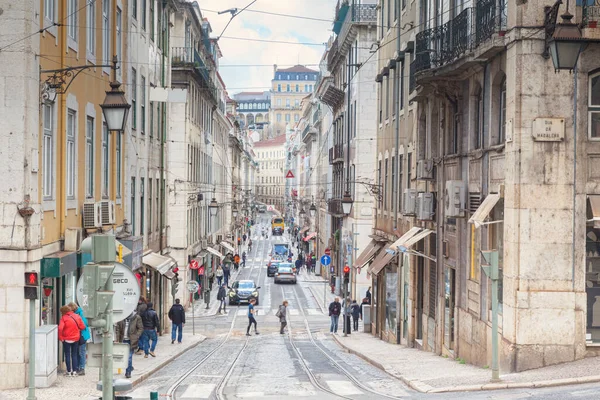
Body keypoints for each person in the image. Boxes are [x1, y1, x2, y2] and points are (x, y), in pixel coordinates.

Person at [115, 310, 144, 379]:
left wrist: (136, 336)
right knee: (125, 357)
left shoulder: (136, 317)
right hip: (123, 340)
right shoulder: (121, 317)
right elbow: (118, 329)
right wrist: (118, 339)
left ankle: (128, 372)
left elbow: (140, 328)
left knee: (129, 357)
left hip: (131, 341)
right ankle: (130, 367)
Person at [58, 305, 85, 376]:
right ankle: (75, 371)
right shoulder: (77, 316)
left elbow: (60, 328)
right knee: (74, 354)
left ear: (64, 312)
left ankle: (69, 371)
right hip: (75, 338)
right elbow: (83, 326)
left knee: (67, 355)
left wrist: (61, 337)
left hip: (66, 339)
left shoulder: (63, 318)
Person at [68, 302, 90, 376]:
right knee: (77, 352)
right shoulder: (78, 313)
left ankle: (82, 368)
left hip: (82, 335)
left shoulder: (80, 313)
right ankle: (77, 368)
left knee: (81, 352)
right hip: (78, 335)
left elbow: (84, 324)